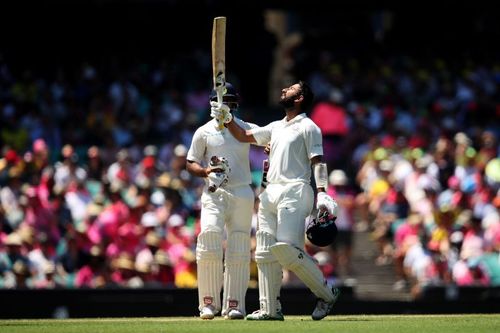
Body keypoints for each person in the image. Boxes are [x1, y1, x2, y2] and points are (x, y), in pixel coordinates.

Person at [212, 80, 340, 321]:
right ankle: (270, 309)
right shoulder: (275, 127)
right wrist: (226, 117)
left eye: (290, 89)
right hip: (270, 193)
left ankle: (327, 292)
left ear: (300, 98)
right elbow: (243, 136)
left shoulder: (309, 127)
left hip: (296, 190)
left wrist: (322, 191)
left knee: (288, 250)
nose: (283, 90)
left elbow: (318, 161)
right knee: (263, 252)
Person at [186, 83, 258, 320]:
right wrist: (206, 171)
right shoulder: (203, 132)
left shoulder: (245, 128)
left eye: (229, 102)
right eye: (221, 102)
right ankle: (208, 303)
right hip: (214, 192)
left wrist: (269, 144)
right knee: (208, 238)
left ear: (235, 104)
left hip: (242, 192)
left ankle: (234, 304)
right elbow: (191, 162)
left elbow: (267, 139)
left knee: (239, 245)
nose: (225, 106)